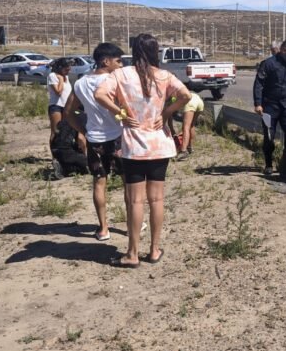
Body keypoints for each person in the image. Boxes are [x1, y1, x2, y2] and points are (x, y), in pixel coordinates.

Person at [96, 33, 191, 268]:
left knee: (135, 201)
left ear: (134, 50)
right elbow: (186, 95)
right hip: (160, 145)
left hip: (134, 147)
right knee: (157, 199)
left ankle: (132, 253)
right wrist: (166, 113)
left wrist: (121, 114)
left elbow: (99, 95)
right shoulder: (164, 76)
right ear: (155, 51)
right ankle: (155, 249)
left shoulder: (121, 74)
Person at [64, 42, 125, 241]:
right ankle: (134, 221)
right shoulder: (114, 80)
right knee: (128, 182)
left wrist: (83, 130)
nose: (121, 65)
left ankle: (103, 228)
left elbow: (68, 112)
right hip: (118, 137)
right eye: (118, 61)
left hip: (94, 139)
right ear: (105, 61)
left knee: (99, 182)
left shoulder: (81, 82)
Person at [253, 38, 286, 175]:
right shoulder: (268, 64)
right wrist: (258, 103)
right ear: (284, 50)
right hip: (269, 106)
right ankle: (269, 164)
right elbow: (259, 84)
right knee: (269, 137)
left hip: (285, 107)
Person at [168, 92, 204, 160]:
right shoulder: (175, 93)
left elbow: (169, 118)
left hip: (190, 102)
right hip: (199, 100)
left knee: (186, 127)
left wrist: (172, 131)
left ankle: (183, 151)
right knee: (191, 125)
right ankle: (189, 147)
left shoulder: (167, 100)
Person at [47, 57, 75, 144]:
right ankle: (54, 156)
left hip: (66, 106)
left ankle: (63, 152)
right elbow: (58, 92)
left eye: (69, 69)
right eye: (66, 69)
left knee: (65, 130)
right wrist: (61, 80)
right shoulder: (53, 76)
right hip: (56, 106)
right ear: (60, 68)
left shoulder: (65, 76)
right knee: (56, 131)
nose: (68, 71)